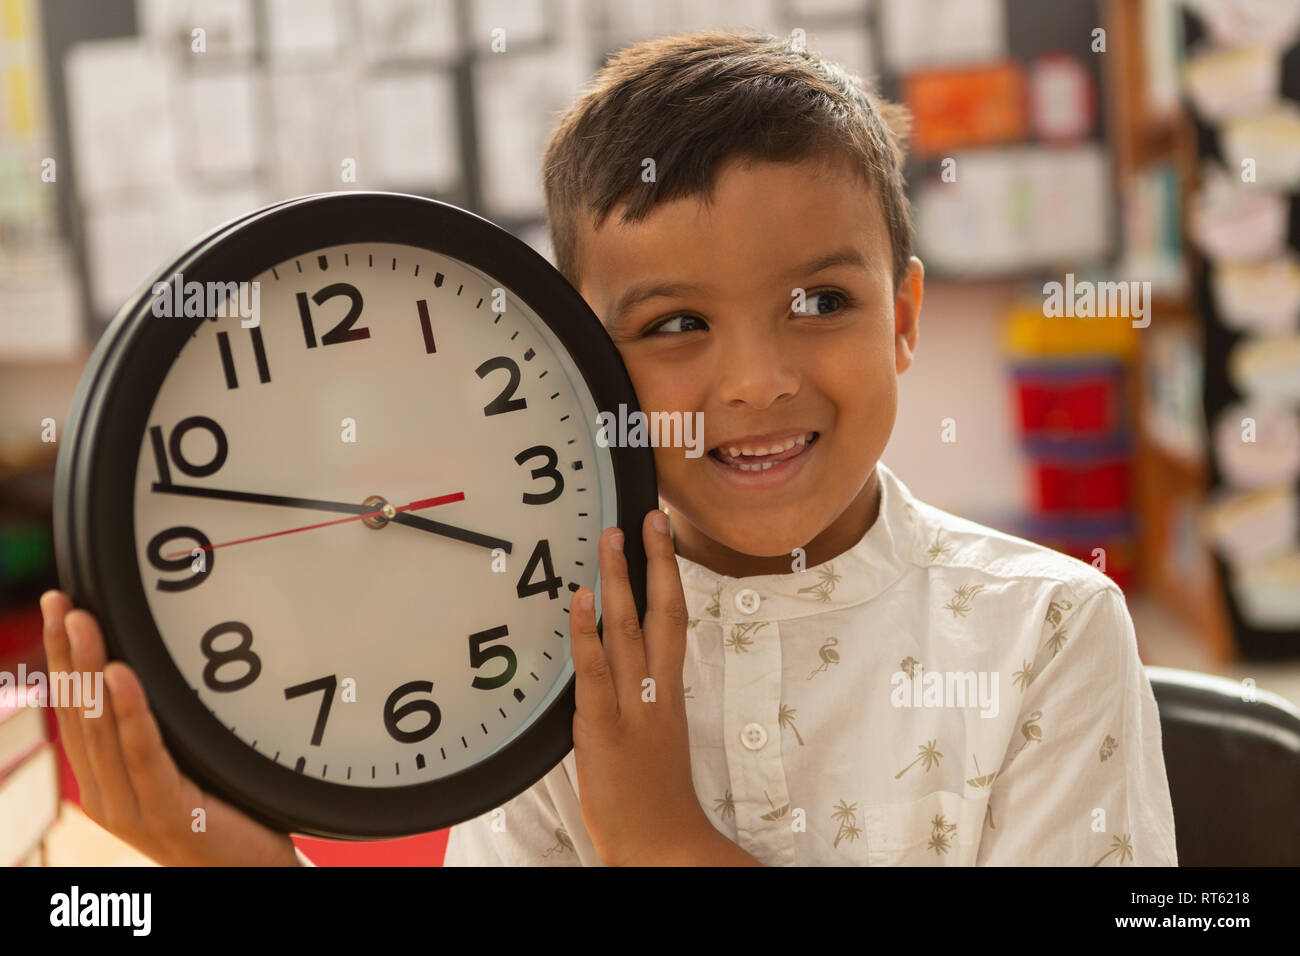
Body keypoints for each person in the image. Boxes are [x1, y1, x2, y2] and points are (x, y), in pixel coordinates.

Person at [40, 31, 1177, 867]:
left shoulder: (1050, 630)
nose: (755, 380)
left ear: (906, 317)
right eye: (675, 324)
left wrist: (667, 845)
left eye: (819, 300)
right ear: (579, 362)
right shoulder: (545, 646)